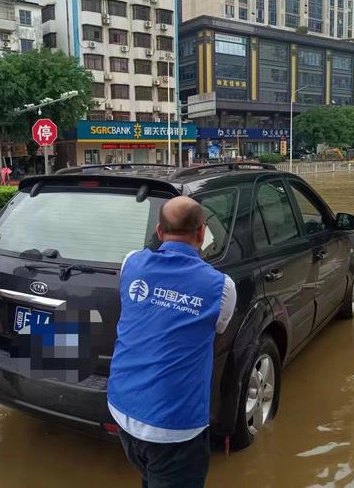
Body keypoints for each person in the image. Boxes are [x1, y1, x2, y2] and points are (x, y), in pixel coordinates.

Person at [108, 196, 237, 488]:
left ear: (158, 230)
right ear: (202, 233)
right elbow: (218, 329)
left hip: (122, 408)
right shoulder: (222, 287)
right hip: (174, 427)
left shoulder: (131, 263)